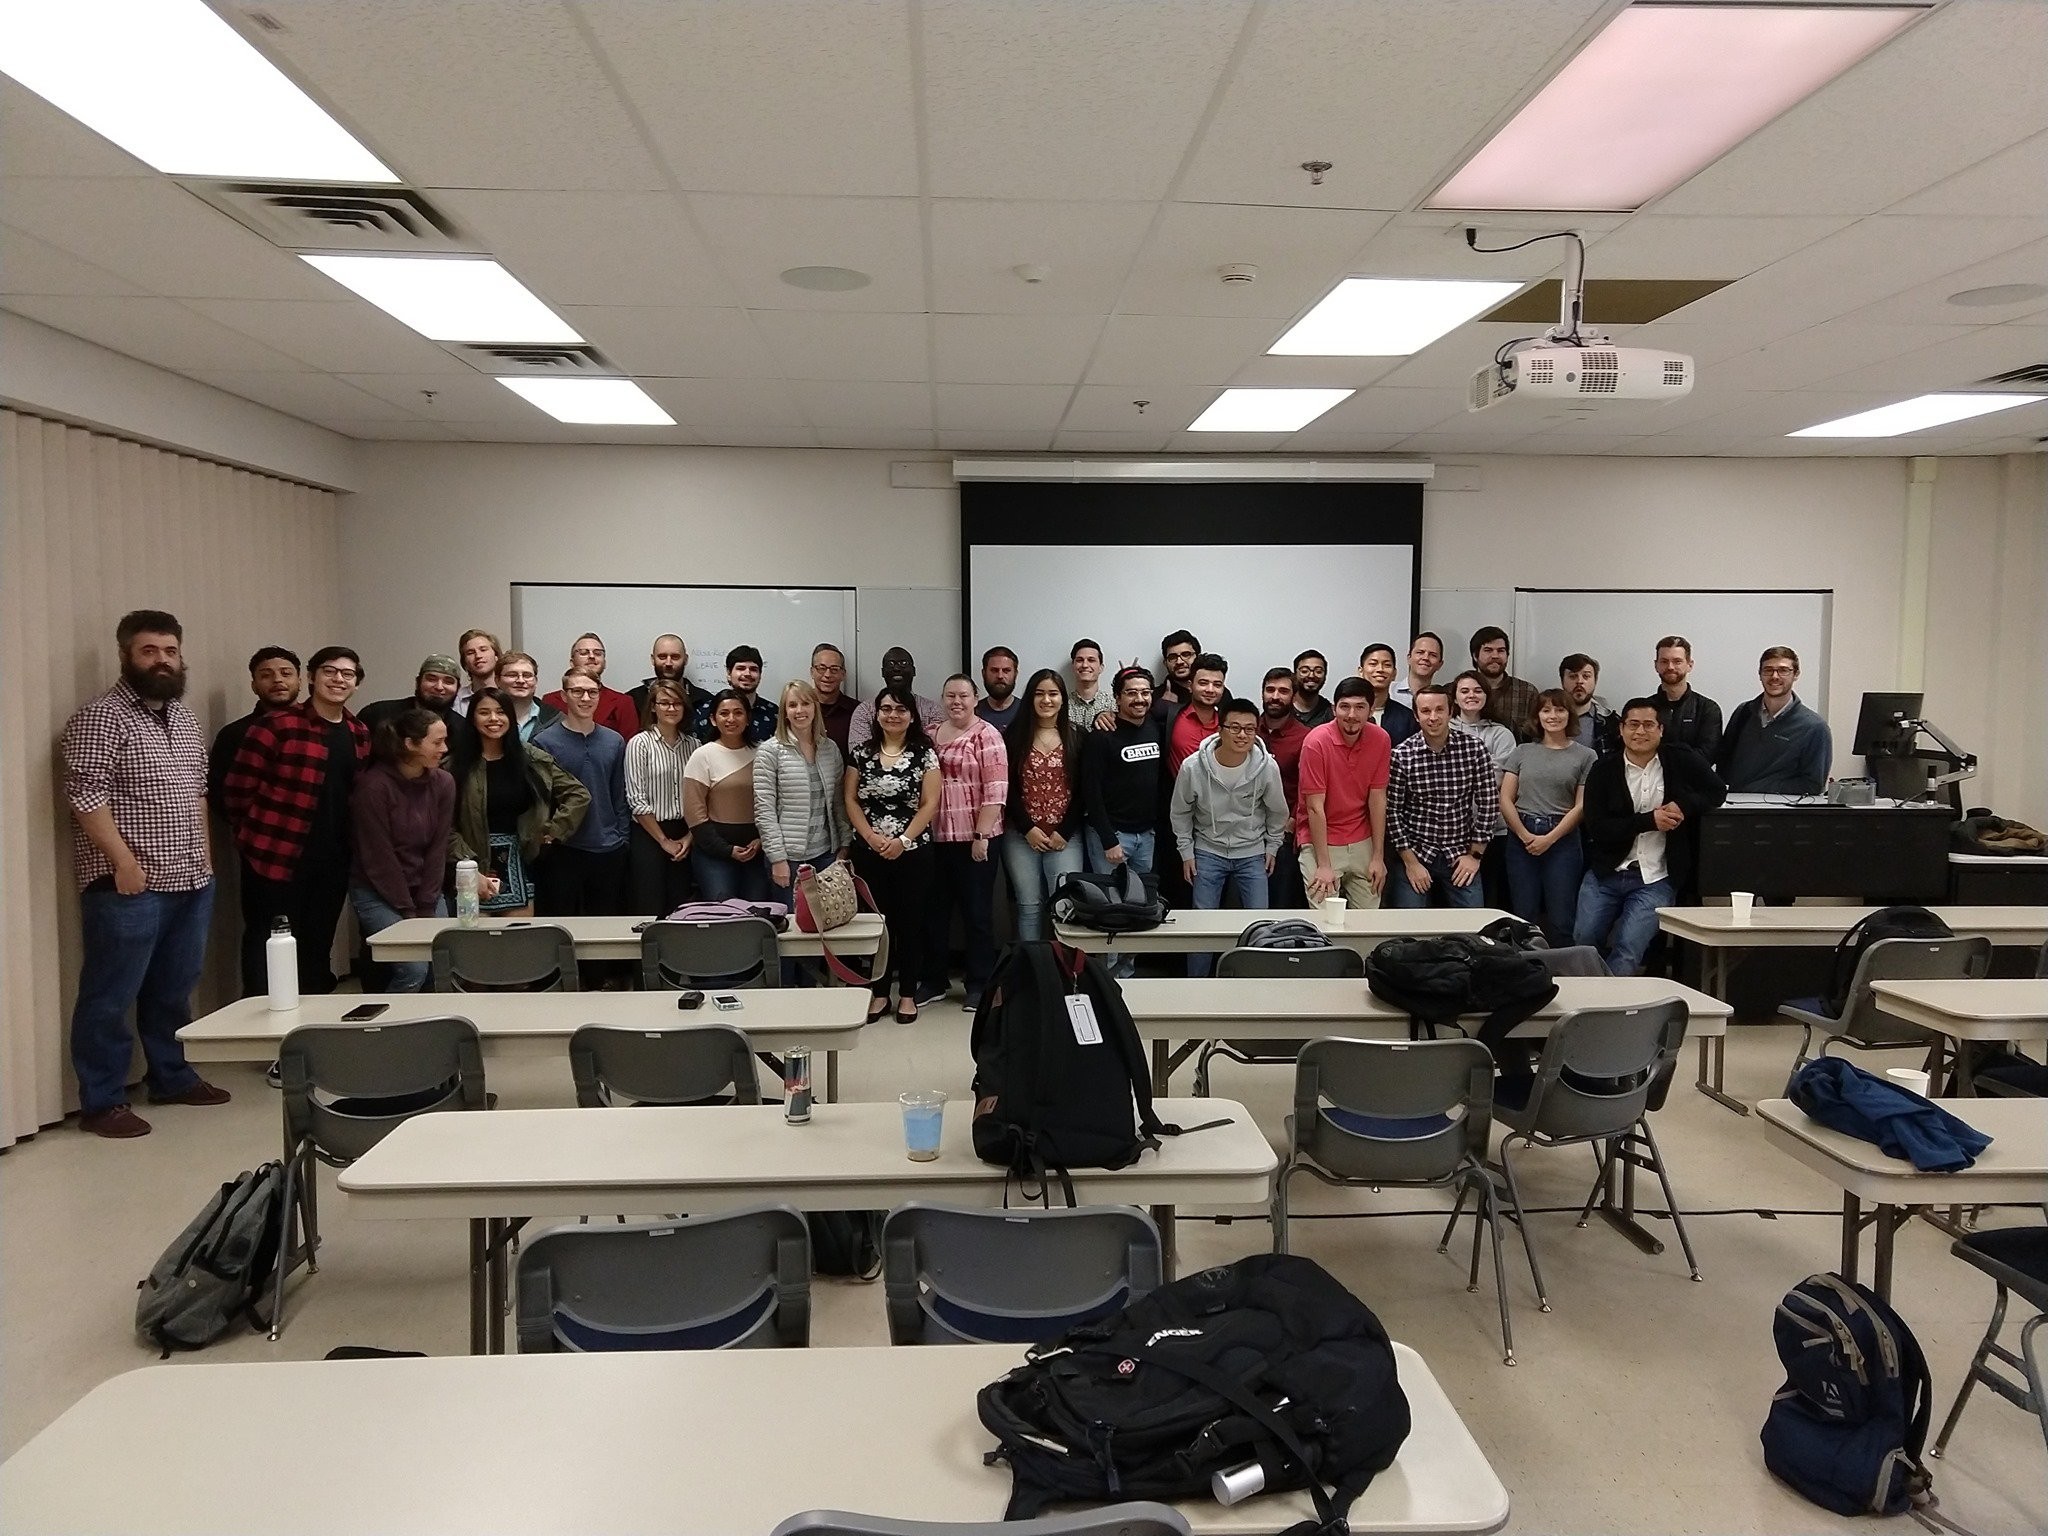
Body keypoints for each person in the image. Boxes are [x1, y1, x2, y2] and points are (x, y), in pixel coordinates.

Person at [61, 609, 230, 1138]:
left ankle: (171, 1078)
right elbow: (85, 794)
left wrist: (205, 855)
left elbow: (197, 790)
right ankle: (102, 1101)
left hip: (190, 878)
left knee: (174, 988)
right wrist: (123, 861)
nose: (162, 660)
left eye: (170, 651)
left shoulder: (183, 717)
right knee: (110, 996)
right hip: (127, 884)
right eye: (149, 651)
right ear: (126, 656)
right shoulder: (100, 716)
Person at [224, 644, 370, 998]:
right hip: (275, 858)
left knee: (316, 947)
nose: (338, 679)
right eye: (329, 671)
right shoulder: (276, 725)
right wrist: (254, 839)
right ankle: (262, 1033)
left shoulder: (359, 733)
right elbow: (237, 791)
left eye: (347, 674)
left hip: (333, 860)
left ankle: (310, 1035)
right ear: (311, 677)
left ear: (356, 683)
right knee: (267, 947)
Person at [1576, 699, 1727, 975]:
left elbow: (1716, 791)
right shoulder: (1603, 769)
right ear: (1621, 729)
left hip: (1656, 877)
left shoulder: (1680, 759)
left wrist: (1684, 805)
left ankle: (1613, 1008)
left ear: (1660, 730)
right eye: (1633, 724)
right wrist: (1649, 821)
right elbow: (1598, 828)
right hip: (1607, 872)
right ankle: (1590, 1000)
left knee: (1629, 947)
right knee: (1584, 940)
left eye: (1648, 725)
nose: (1640, 732)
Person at [843, 686, 941, 1022]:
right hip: (869, 851)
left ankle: (908, 995)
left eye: (900, 709)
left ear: (912, 715)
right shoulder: (861, 753)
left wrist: (902, 839)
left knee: (911, 924)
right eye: (886, 708)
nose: (893, 715)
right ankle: (880, 993)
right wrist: (870, 837)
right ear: (877, 714)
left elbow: (930, 803)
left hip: (912, 851)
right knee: (877, 925)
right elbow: (851, 800)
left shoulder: (924, 752)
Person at [1173, 696, 1290, 975]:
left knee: (1260, 926)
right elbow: (1179, 812)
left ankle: (1255, 985)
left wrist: (1272, 847)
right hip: (1207, 852)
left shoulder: (1267, 767)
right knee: (1202, 926)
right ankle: (1197, 987)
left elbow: (1277, 812)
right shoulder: (1193, 767)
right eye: (1234, 727)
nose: (1242, 735)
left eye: (1249, 729)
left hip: (1252, 853)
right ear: (1220, 729)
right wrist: (1186, 852)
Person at [449, 688, 588, 917]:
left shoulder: (530, 758)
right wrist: (468, 867)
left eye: (501, 712)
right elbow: (444, 825)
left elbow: (578, 794)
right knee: (472, 943)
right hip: (469, 862)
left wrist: (554, 830)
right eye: (484, 712)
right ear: (472, 717)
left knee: (520, 943)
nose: (494, 719)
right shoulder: (455, 764)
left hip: (518, 863)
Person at [349, 707, 455, 992]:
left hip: (425, 888)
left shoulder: (443, 782)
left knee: (442, 963)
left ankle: (433, 1030)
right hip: (378, 890)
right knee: (413, 967)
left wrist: (427, 903)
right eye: (436, 742)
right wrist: (409, 913)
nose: (444, 749)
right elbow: (378, 856)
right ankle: (390, 1032)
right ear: (410, 744)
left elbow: (438, 848)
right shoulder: (374, 787)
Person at [531, 671, 631, 949]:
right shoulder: (544, 742)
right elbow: (542, 800)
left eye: (592, 692)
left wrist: (622, 839)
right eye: (577, 692)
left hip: (608, 847)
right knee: (564, 926)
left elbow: (619, 795)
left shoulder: (614, 741)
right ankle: (567, 986)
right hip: (564, 848)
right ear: (563, 696)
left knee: (606, 924)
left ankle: (600, 983)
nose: (585, 698)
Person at [928, 675, 1008, 1010]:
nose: (956, 701)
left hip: (977, 840)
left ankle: (979, 984)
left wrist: (981, 835)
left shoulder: (987, 734)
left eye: (963, 695)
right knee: (935, 914)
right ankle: (933, 981)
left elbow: (996, 789)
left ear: (976, 698)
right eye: (950, 695)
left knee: (977, 915)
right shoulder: (931, 734)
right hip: (935, 839)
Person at [1080, 667, 1165, 975]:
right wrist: (1108, 840)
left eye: (1145, 693)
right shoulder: (1102, 736)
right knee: (1111, 911)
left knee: (1139, 908)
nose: (1139, 699)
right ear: (1117, 698)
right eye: (1131, 693)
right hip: (1113, 837)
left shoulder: (1156, 727)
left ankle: (1127, 973)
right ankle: (1105, 978)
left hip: (1146, 836)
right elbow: (1090, 791)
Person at [1384, 685, 1499, 910]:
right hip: (1415, 854)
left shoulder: (1474, 749)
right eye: (1426, 711)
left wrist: (1475, 855)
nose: (1433, 717)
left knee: (1475, 928)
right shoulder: (1401, 755)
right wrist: (1410, 862)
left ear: (1450, 712)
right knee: (1406, 931)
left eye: (1439, 710)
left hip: (1461, 854)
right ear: (1416, 716)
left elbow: (1489, 802)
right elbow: (1393, 812)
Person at [1500, 689, 1595, 946]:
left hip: (1562, 839)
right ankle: (1526, 976)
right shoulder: (1522, 751)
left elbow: (1581, 806)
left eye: (1560, 709)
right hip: (1522, 837)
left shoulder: (1586, 756)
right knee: (1523, 918)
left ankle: (1564, 977)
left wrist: (1550, 839)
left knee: (1562, 919)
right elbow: (1505, 799)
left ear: (1569, 714)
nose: (1553, 715)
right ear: (1537, 716)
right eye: (1546, 710)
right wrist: (1524, 835)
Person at [1001, 669, 1084, 943]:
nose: (1046, 700)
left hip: (1066, 837)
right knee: (1028, 907)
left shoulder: (1078, 736)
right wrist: (1028, 828)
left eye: (1053, 693)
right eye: (1039, 693)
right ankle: (1031, 977)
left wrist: (1065, 831)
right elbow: (1007, 788)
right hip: (1021, 836)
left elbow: (1085, 790)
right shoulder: (1013, 736)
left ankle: (1063, 976)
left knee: (1064, 909)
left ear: (1062, 699)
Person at [1297, 676, 1392, 911]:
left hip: (1362, 838)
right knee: (1325, 919)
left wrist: (1378, 857)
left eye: (1360, 707)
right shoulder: (1316, 742)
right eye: (1345, 706)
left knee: (1368, 924)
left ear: (1371, 709)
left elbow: (1378, 799)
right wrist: (1324, 865)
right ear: (1334, 708)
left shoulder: (1381, 739)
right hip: (1321, 840)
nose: (1351, 715)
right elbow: (1314, 808)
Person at [754, 679, 849, 912]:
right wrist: (777, 859)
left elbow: (838, 803)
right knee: (792, 927)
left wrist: (844, 846)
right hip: (788, 857)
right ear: (784, 712)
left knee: (828, 921)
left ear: (815, 707)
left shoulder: (830, 748)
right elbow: (764, 810)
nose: (799, 711)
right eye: (792, 705)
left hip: (826, 854)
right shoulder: (770, 751)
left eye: (805, 703)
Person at [683, 689, 769, 901]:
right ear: (713, 719)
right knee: (725, 915)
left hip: (757, 852)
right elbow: (695, 815)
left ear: (748, 718)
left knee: (757, 917)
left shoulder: (764, 753)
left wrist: (761, 840)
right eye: (724, 713)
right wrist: (726, 850)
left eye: (738, 713)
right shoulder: (702, 756)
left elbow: (774, 804)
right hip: (714, 854)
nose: (731, 719)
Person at [1718, 645, 1831, 794]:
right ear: (1760, 674)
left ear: (1796, 674)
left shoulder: (1815, 727)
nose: (1775, 676)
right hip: (1737, 809)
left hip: (1780, 813)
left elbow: (1813, 784)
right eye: (1768, 670)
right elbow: (1724, 765)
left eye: (1783, 670)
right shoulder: (1743, 713)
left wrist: (1753, 789)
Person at [624, 680, 695, 917]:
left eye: (677, 703)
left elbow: (702, 799)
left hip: (685, 833)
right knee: (649, 906)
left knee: (682, 906)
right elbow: (636, 800)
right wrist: (664, 841)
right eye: (664, 703)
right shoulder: (639, 744)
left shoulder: (694, 745)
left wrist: (689, 837)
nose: (671, 708)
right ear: (653, 707)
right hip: (649, 834)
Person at [207, 646, 300, 815]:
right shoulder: (235, 734)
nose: (277, 680)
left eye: (286, 673)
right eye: (266, 675)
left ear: (300, 682)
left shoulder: (318, 728)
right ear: (254, 686)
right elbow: (219, 796)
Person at [1257, 667, 1310, 908]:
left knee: (1280, 905)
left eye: (1283, 691)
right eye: (1270, 690)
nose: (1275, 696)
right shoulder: (1246, 730)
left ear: (1294, 697)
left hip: (1283, 836)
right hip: (1243, 836)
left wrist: (1291, 822)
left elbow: (1308, 787)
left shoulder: (1306, 737)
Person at [542, 633, 640, 740]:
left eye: (598, 653)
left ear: (604, 662)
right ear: (572, 662)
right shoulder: (551, 700)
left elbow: (629, 746)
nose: (592, 656)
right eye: (584, 653)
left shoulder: (623, 702)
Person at [846, 646, 943, 747]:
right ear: (883, 672)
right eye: (891, 664)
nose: (897, 668)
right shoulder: (865, 711)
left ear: (913, 671)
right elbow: (859, 755)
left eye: (903, 664)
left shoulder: (933, 710)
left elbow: (938, 751)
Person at [1650, 634, 1723, 762]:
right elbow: (1637, 751)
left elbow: (1707, 756)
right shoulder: (1645, 708)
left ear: (1690, 665)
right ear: (1656, 665)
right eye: (1664, 661)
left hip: (1693, 781)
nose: (1670, 667)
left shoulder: (1708, 709)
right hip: (1650, 780)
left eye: (1677, 661)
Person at [692, 645, 781, 745]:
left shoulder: (773, 713)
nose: (747, 673)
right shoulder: (705, 711)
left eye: (753, 669)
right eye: (741, 668)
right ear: (729, 674)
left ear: (760, 675)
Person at [359, 653, 461, 738]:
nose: (439, 687)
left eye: (448, 682)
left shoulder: (462, 729)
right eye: (431, 679)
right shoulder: (377, 715)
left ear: (458, 688)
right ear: (418, 682)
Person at [628, 634, 711, 732]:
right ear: (652, 659)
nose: (668, 663)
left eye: (675, 657)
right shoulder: (632, 700)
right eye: (662, 657)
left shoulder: (705, 701)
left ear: (685, 659)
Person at [1470, 626, 1539, 743]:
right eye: (1488, 650)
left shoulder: (1527, 692)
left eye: (1501, 650)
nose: (1495, 656)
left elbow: (1538, 738)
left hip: (1515, 759)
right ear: (1475, 656)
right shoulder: (1457, 692)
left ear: (1507, 655)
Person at [1167, 653, 1227, 774]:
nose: (1210, 690)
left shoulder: (1228, 725)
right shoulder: (1171, 717)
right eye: (1203, 683)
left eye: (1217, 685)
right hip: (1179, 791)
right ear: (1190, 686)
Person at [1449, 670, 1516, 769]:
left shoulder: (1501, 734)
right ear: (1455, 699)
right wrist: (1484, 762)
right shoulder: (1444, 731)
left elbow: (1500, 774)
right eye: (1464, 691)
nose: (1471, 695)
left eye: (1478, 691)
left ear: (1486, 696)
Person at [489, 652, 560, 742]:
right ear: (497, 680)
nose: (521, 680)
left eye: (527, 675)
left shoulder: (555, 719)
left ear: (535, 681)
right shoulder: (485, 718)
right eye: (512, 675)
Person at [1357, 644, 1417, 743]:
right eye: (1373, 664)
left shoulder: (1407, 718)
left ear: (1394, 674)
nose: (1380, 669)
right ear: (1361, 671)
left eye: (1387, 665)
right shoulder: (1347, 712)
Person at [1559, 653, 1616, 755]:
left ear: (1595, 681)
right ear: (1562, 681)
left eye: (1586, 676)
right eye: (1573, 676)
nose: (1579, 681)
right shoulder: (1546, 720)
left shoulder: (1610, 723)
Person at [809, 643, 857, 754]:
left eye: (834, 669)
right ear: (812, 672)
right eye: (821, 668)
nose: (827, 674)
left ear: (843, 674)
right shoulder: (799, 709)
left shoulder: (857, 711)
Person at [1151, 631, 1202, 726]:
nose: (1179, 661)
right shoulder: (1155, 697)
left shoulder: (1213, 690)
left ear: (1197, 657)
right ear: (1165, 663)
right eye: (1172, 657)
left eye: (1186, 654)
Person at [1067, 638, 1116, 731]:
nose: (1085, 665)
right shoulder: (1062, 705)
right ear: (1073, 666)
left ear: (1101, 668)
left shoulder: (1114, 704)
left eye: (1091, 660)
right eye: (1079, 660)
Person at [454, 628, 501, 712]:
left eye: (483, 650)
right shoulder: (456, 700)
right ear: (464, 662)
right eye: (470, 653)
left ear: (496, 655)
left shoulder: (511, 694)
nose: (478, 656)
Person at [976, 646, 1022, 732]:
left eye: (1006, 670)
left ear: (1015, 674)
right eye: (994, 670)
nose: (1000, 676)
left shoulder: (1027, 710)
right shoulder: (972, 712)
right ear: (983, 674)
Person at [1393, 632, 1443, 709]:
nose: (1425, 658)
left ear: (1440, 664)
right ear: (1409, 658)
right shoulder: (1389, 692)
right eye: (1420, 652)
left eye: (1433, 655)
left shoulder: (1443, 699)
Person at [1292, 650, 1333, 728]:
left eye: (1318, 671)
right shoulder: (1283, 707)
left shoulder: (1330, 713)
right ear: (1295, 674)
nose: (1311, 675)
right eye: (1304, 671)